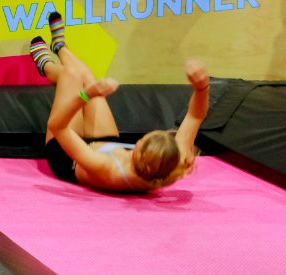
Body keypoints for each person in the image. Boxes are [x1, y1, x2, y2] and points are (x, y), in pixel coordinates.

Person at [31, 11, 207, 193]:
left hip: (67, 154)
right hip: (106, 146)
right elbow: (195, 115)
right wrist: (202, 88)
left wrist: (86, 95)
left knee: (72, 76)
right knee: (88, 78)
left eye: (140, 142)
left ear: (137, 154)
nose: (137, 141)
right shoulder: (170, 165)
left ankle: (47, 66)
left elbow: (58, 126)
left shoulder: (107, 168)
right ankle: (60, 47)